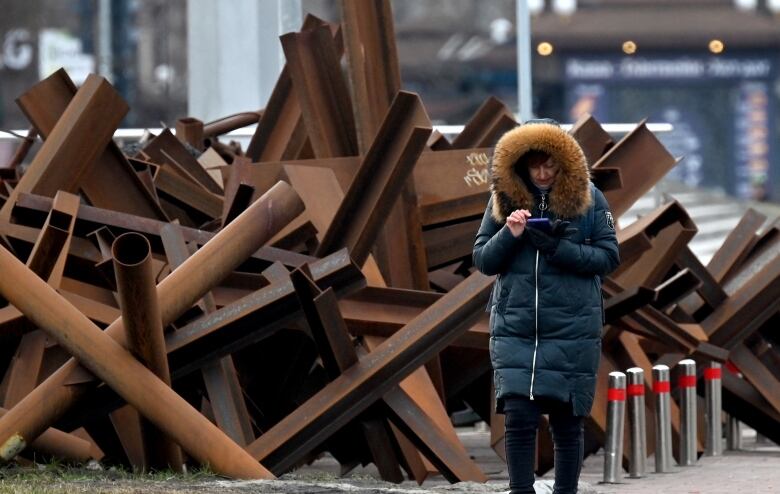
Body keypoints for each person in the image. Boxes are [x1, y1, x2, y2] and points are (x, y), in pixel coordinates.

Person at [472, 119, 619, 494]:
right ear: (520, 163)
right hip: (516, 327)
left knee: (568, 421)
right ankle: (521, 491)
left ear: (563, 164)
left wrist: (556, 247)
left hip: (572, 327)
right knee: (519, 416)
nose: (542, 174)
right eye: (534, 165)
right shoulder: (502, 199)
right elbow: (484, 260)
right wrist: (511, 233)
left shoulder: (590, 199)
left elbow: (608, 256)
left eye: (550, 165)